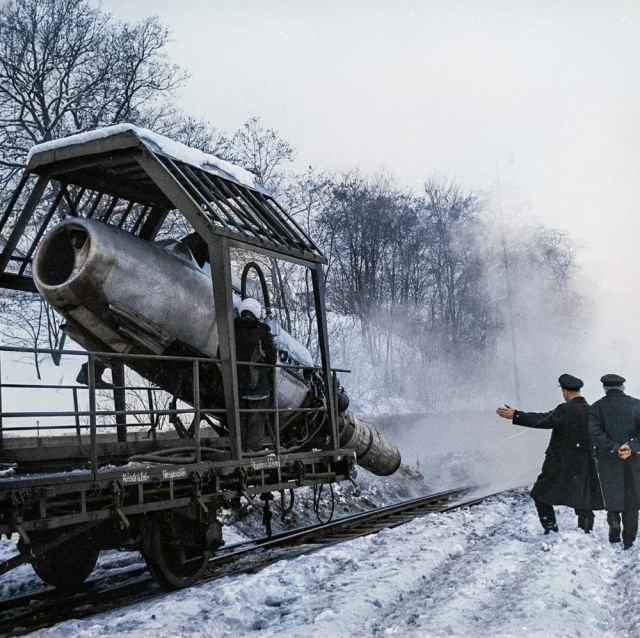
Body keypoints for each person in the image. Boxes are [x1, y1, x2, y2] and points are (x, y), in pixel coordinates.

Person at [496, 374, 603, 534]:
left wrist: (516, 415)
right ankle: (586, 531)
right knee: (583, 497)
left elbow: (543, 420)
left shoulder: (565, 409)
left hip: (560, 461)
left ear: (565, 392)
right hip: (584, 461)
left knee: (540, 494)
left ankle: (551, 529)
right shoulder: (592, 411)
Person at [588, 374, 640, 549]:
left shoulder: (596, 408)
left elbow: (595, 434)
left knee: (612, 492)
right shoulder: (637, 405)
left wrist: (614, 448)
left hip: (608, 459)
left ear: (605, 388)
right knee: (632, 498)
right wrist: (630, 447)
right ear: (622, 387)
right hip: (634, 460)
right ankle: (629, 539)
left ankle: (614, 521)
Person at [234, 297, 277, 452]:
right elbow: (272, 359)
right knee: (256, 420)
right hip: (259, 387)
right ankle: (252, 451)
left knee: (242, 419)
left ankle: (240, 450)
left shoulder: (232, 331)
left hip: (238, 385)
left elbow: (221, 353)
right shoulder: (262, 332)